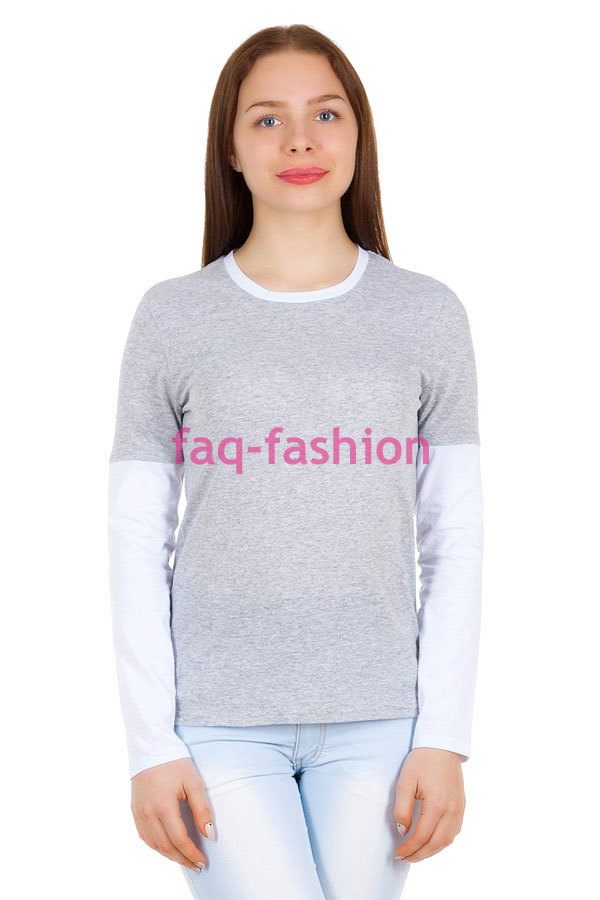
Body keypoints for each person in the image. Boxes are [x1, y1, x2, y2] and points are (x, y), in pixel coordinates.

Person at [107, 23, 483, 900]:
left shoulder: (427, 315)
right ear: (231, 148)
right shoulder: (173, 317)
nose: (301, 140)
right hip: (217, 721)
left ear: (358, 135)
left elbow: (454, 537)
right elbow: (135, 538)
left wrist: (445, 736)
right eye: (268, 120)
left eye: (326, 114)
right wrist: (150, 745)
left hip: (382, 719)